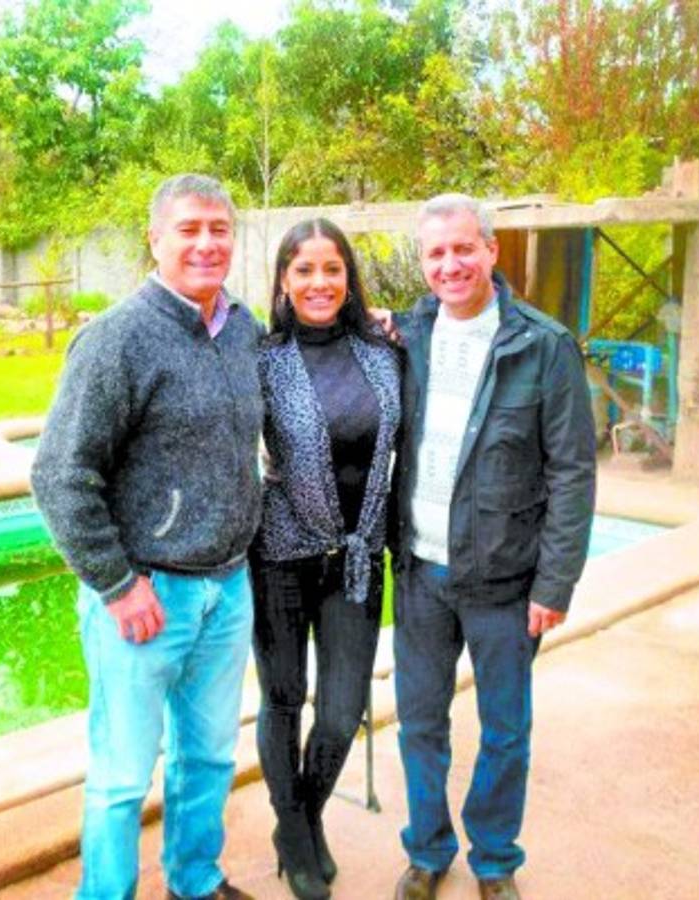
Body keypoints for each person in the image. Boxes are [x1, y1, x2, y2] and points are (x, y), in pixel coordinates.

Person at [30, 173, 261, 900]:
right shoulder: (117, 340)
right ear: (155, 239)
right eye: (188, 229)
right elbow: (60, 475)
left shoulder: (243, 329)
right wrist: (116, 583)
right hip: (146, 598)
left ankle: (194, 880)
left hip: (227, 589)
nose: (205, 244)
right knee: (123, 778)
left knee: (210, 758)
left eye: (218, 229)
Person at [389, 194, 597, 900]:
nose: (450, 265)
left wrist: (555, 583)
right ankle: (427, 850)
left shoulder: (543, 346)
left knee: (504, 729)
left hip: (505, 582)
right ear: (423, 262)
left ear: (491, 250)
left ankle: (495, 860)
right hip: (419, 573)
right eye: (435, 253)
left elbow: (572, 471)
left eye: (462, 248)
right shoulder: (408, 335)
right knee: (420, 724)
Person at [250, 219, 401, 900]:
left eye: (331, 268)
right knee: (283, 701)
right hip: (280, 556)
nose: (319, 282)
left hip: (357, 559)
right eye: (304, 270)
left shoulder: (384, 351)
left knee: (341, 713)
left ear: (348, 276)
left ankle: (298, 823)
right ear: (283, 280)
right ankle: (299, 832)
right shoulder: (261, 358)